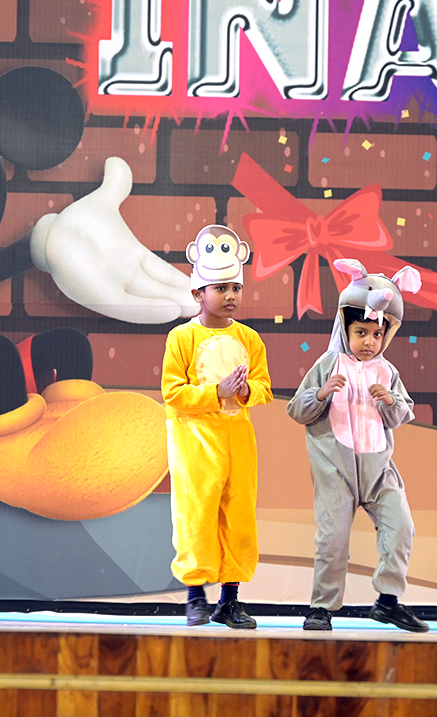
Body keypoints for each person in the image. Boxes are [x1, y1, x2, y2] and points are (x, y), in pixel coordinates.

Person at [287, 258, 428, 633]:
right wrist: (321, 393)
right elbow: (296, 409)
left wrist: (390, 401)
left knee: (401, 527)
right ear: (345, 328)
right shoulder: (328, 363)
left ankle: (388, 602)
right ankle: (321, 608)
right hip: (337, 470)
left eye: (377, 334)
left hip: (379, 470)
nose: (369, 342)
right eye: (361, 332)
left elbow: (402, 413)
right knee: (332, 540)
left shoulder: (387, 371)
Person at [161, 224, 272, 629]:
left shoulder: (250, 338)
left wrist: (244, 392)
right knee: (197, 513)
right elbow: (172, 392)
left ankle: (230, 599)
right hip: (195, 444)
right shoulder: (181, 338)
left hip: (237, 441)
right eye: (221, 288)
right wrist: (216, 392)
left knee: (238, 514)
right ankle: (195, 596)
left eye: (236, 288)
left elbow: (264, 388)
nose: (231, 296)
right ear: (198, 293)